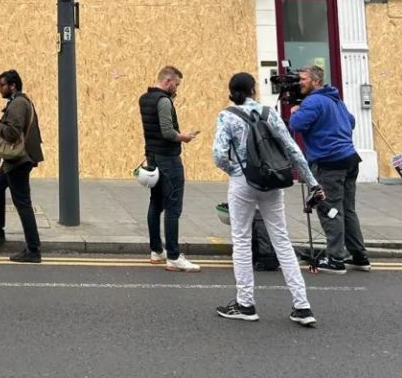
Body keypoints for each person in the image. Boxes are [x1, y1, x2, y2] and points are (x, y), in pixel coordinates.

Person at [212, 72, 323, 326]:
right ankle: (302, 306)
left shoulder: (227, 115)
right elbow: (292, 149)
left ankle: (246, 304)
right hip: (272, 180)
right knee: (282, 241)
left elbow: (218, 154)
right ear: (253, 90)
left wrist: (235, 171)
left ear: (232, 91)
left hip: (243, 182)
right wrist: (313, 183)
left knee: (241, 240)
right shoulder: (268, 113)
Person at [289, 64, 370, 274]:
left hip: (330, 163)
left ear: (316, 81)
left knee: (329, 209)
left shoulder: (314, 101)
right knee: (347, 210)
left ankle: (335, 259)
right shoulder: (335, 99)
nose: (299, 83)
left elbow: (296, 124)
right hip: (349, 159)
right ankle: (359, 256)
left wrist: (295, 111)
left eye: (303, 79)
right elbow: (351, 122)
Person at [0, 70, 44, 264]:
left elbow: (12, 133)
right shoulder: (18, 102)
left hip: (19, 161)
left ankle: (33, 249)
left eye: (2, 85)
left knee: (22, 203)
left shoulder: (19, 103)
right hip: (15, 159)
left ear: (12, 85)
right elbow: (10, 127)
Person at [138, 65, 201, 272]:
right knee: (173, 206)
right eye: (176, 84)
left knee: (155, 203)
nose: (177, 88)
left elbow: (155, 127)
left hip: (152, 156)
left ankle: (157, 250)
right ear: (168, 81)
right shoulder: (163, 101)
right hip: (168, 158)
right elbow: (167, 131)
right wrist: (185, 137)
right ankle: (173, 256)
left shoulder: (145, 98)